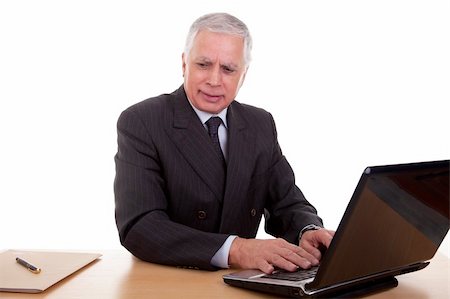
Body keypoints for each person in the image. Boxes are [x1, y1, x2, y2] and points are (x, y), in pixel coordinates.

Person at [114, 12, 334, 274]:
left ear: (243, 75)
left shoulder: (260, 123)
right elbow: (140, 227)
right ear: (184, 64)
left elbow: (287, 202)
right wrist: (237, 250)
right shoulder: (142, 121)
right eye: (203, 65)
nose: (214, 80)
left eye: (228, 69)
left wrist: (307, 230)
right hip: (172, 279)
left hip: (243, 281)